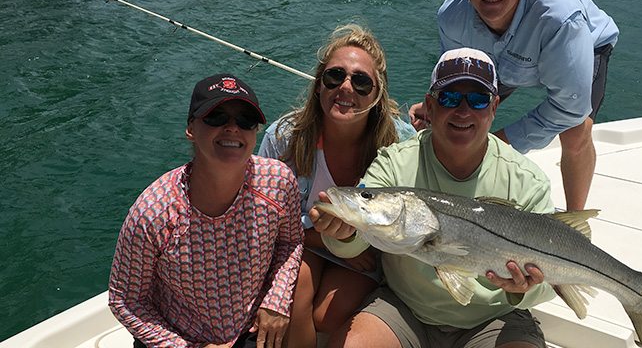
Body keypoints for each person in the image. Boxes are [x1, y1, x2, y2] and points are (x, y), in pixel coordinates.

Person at [313, 48, 555, 348]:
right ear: (430, 104)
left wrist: (523, 288)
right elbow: (355, 242)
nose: (463, 111)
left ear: (493, 108)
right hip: (404, 309)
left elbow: (551, 287)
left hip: (495, 319)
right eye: (450, 98)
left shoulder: (527, 182)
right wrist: (343, 235)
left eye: (477, 100)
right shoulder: (394, 163)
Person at [409, 0, 619, 211]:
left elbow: (570, 108)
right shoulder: (451, 16)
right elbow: (456, 79)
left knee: (576, 130)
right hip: (507, 61)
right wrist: (438, 107)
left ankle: (574, 224)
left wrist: (497, 146)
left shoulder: (561, 19)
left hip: (581, 45)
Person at [109, 74, 304, 348]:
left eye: (245, 120)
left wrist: (277, 300)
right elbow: (125, 299)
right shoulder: (153, 212)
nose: (233, 128)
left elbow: (290, 242)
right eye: (216, 117)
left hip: (249, 328)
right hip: (177, 338)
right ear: (191, 128)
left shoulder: (279, 182)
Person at [258, 24, 416, 347]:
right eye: (335, 76)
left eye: (361, 82)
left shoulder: (401, 143)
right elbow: (262, 224)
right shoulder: (283, 138)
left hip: (367, 253)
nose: (346, 87)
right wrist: (323, 240)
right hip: (303, 244)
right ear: (319, 86)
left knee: (327, 317)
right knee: (297, 285)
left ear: (377, 95)